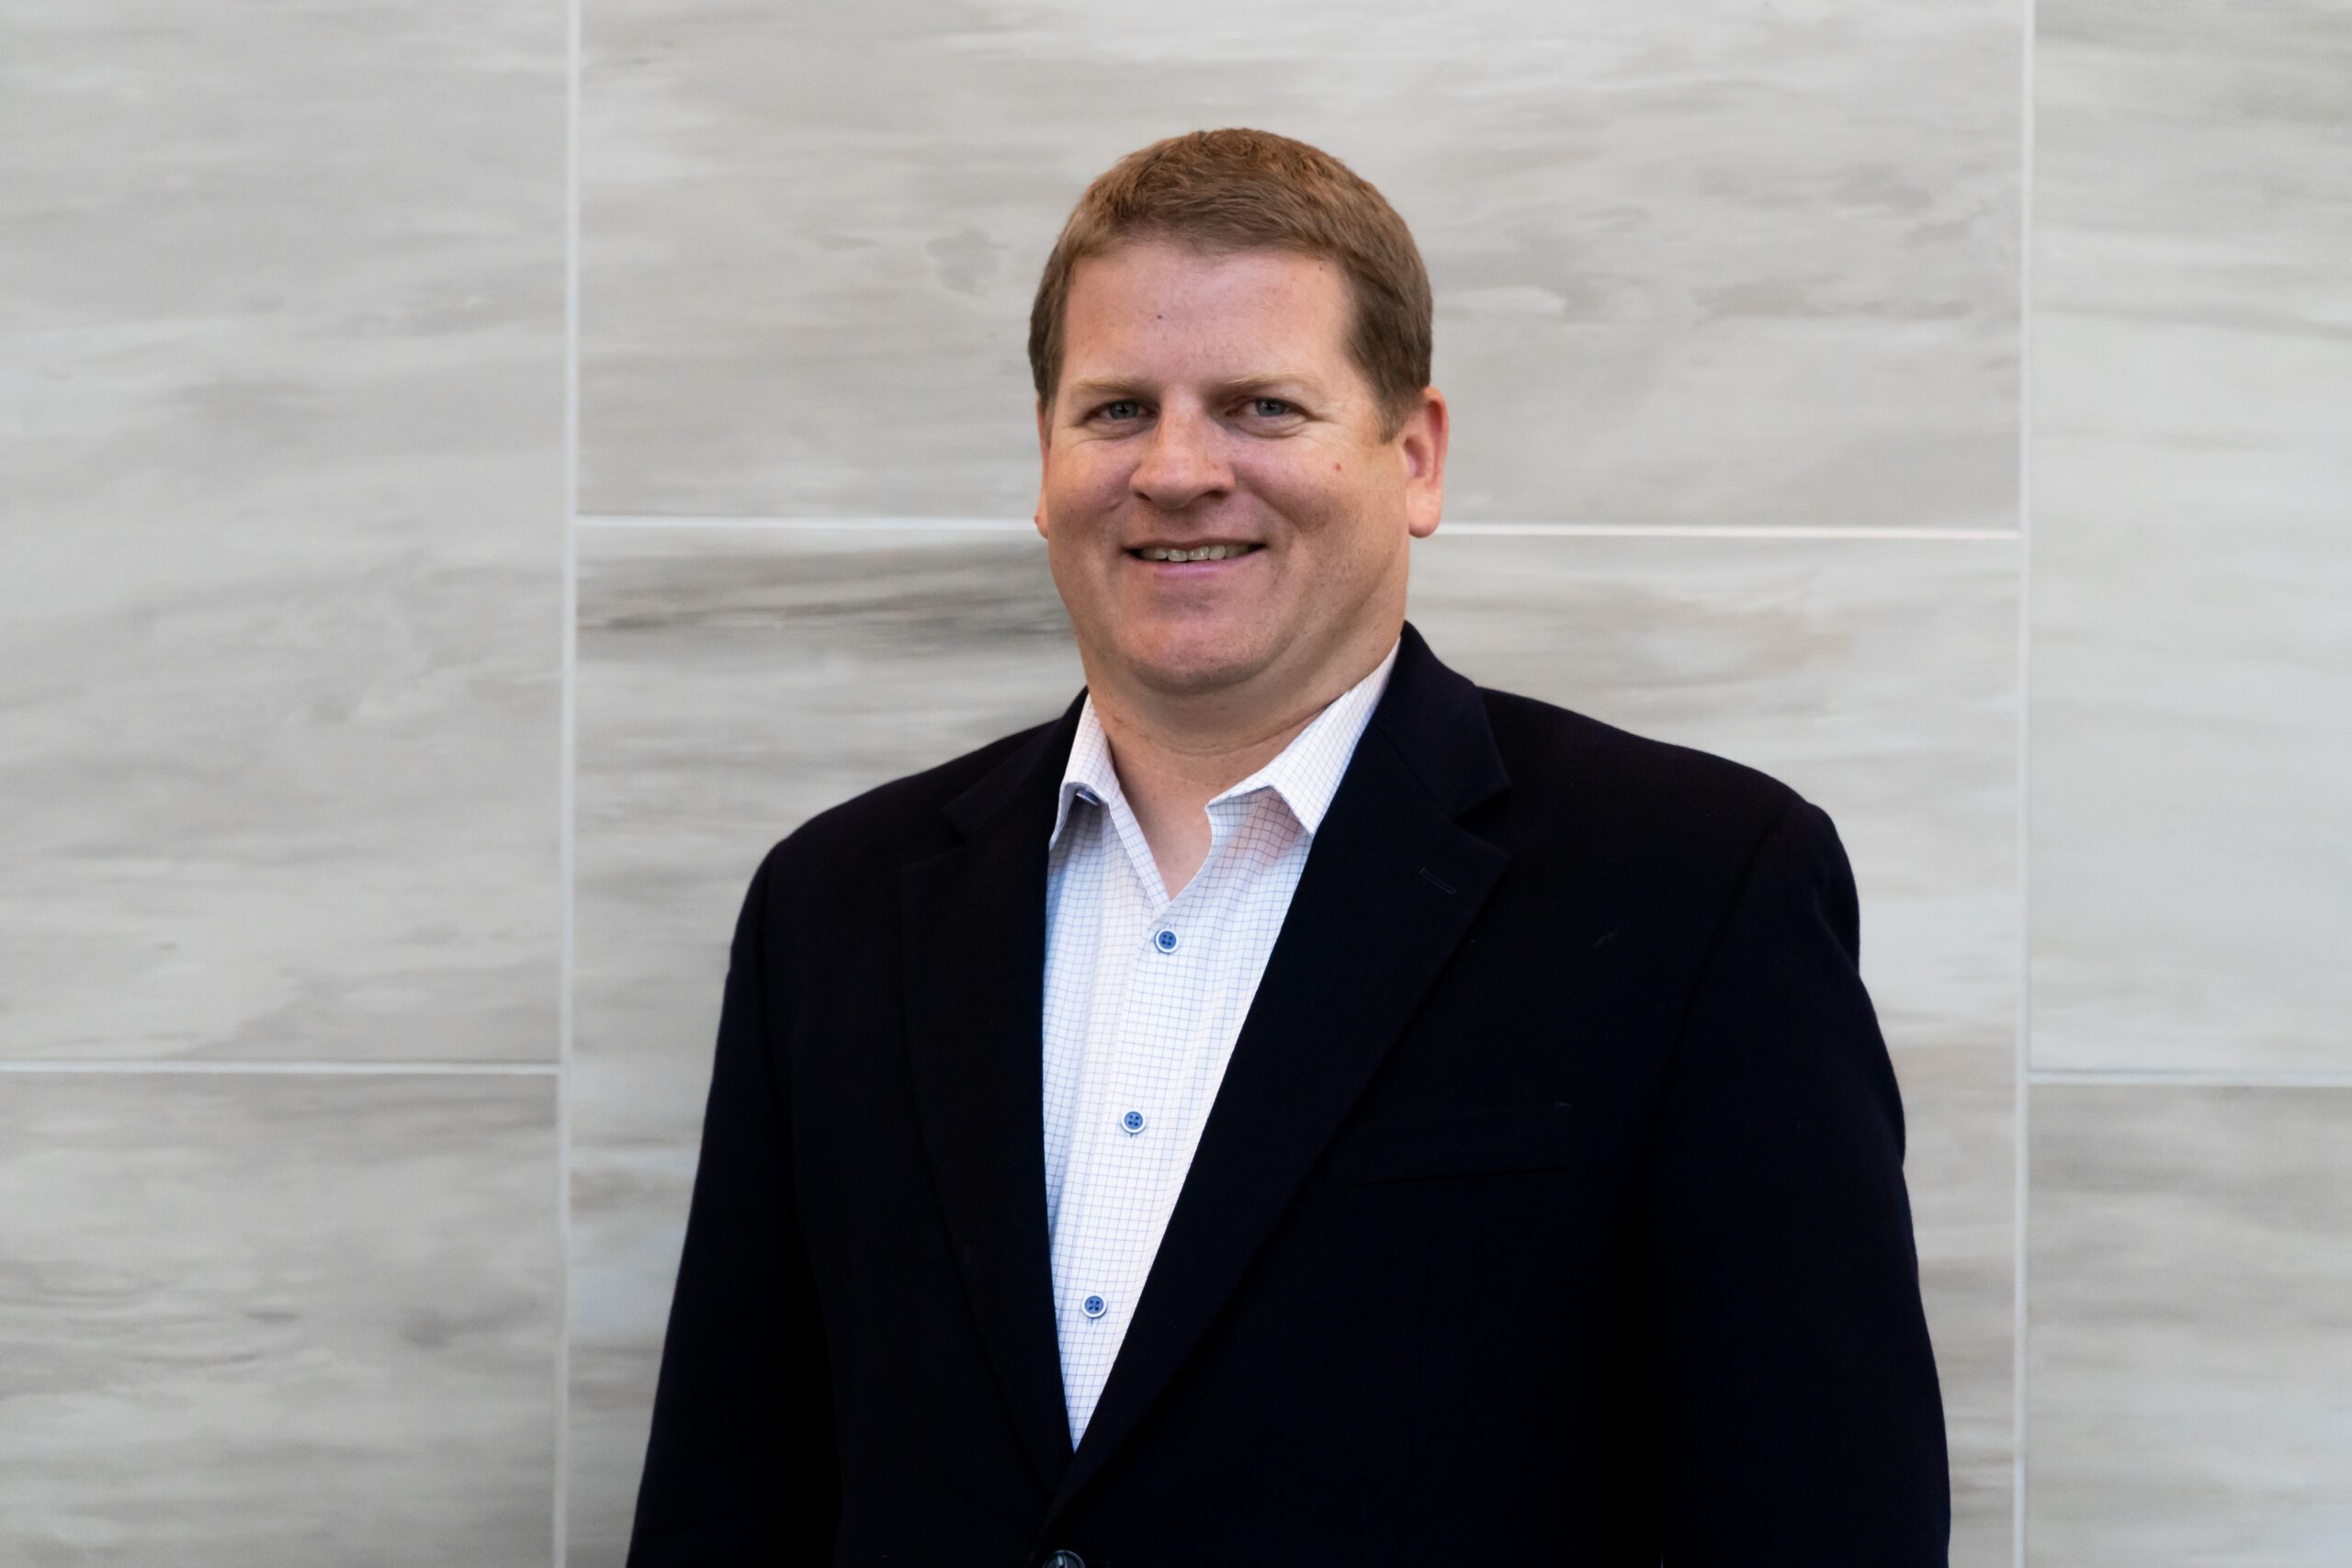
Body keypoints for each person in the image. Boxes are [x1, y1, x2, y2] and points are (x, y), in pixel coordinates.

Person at [626, 127, 1950, 1567]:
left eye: (1261, 406)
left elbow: (1823, 1514)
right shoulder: (837, 906)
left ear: (1416, 456)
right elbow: (729, 1493)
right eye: (1118, 408)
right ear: (1047, 459)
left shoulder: (1699, 886)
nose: (1179, 470)